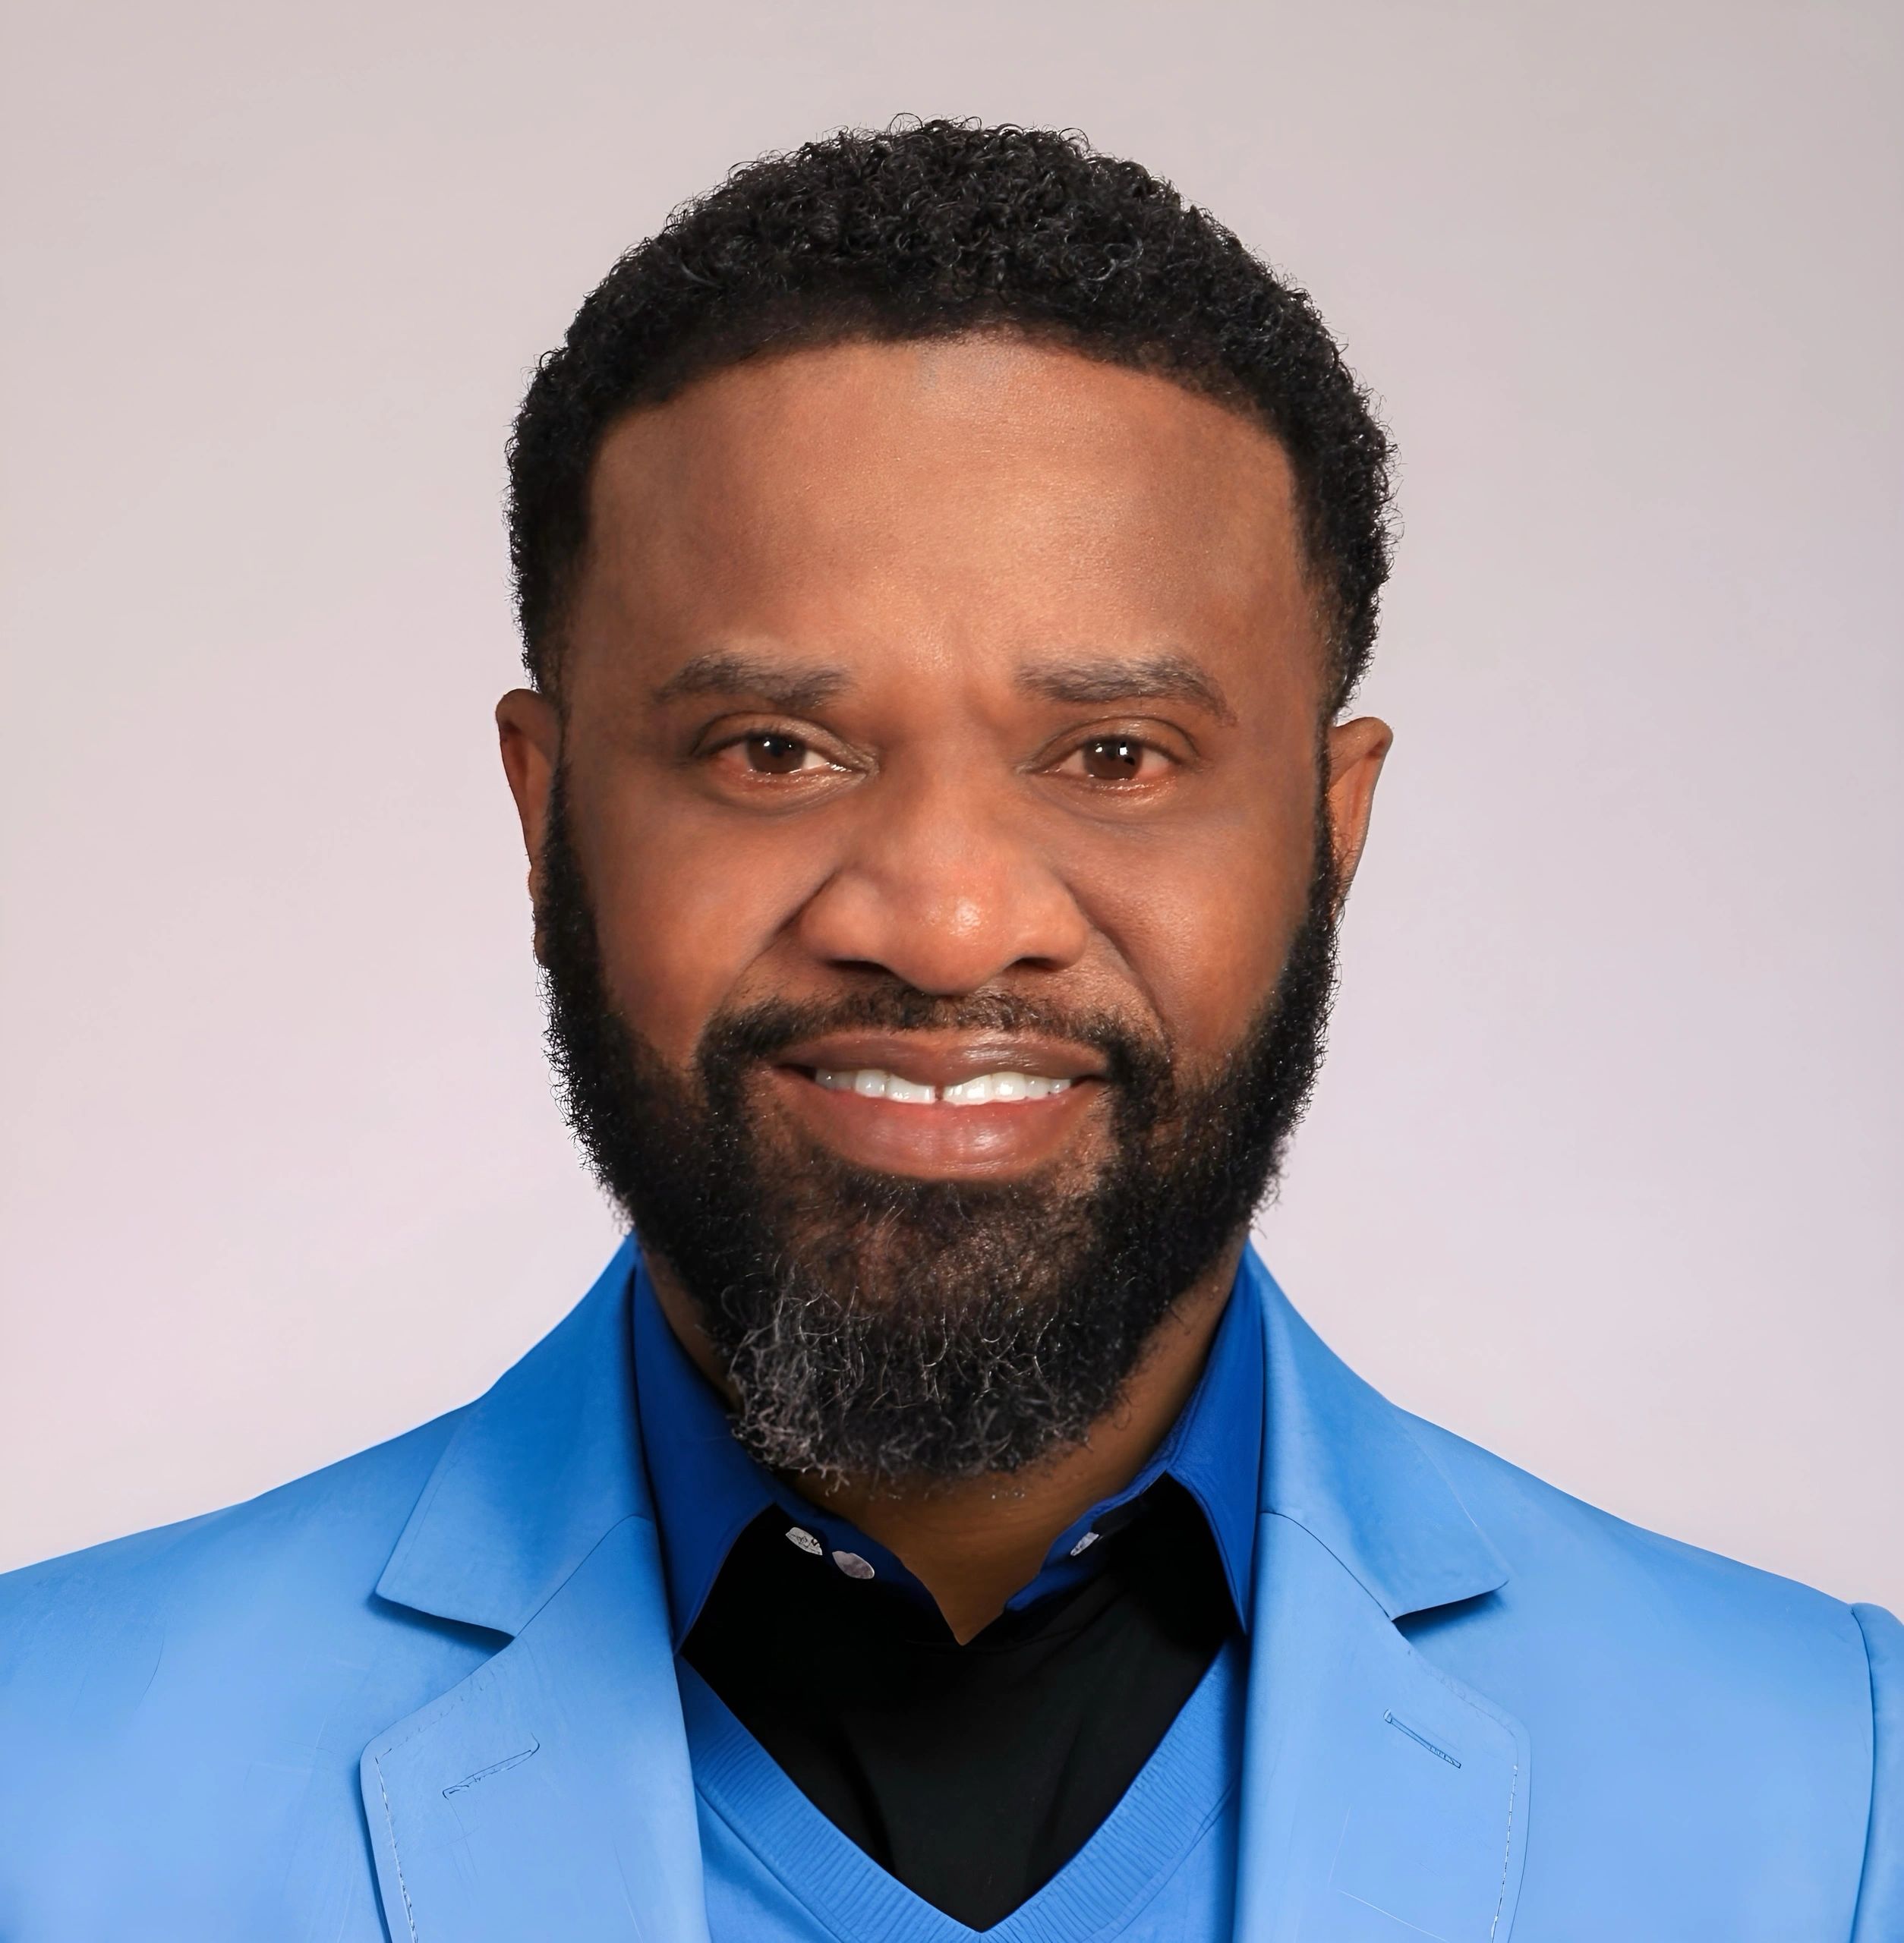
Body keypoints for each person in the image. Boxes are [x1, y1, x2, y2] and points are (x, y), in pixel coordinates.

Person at [0, 118, 1894, 1943]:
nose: (945, 917)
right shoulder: (42, 1783)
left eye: (1116, 756)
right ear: (546, 802)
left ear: (1333, 831)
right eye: (773, 751)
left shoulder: (1842, 1801)